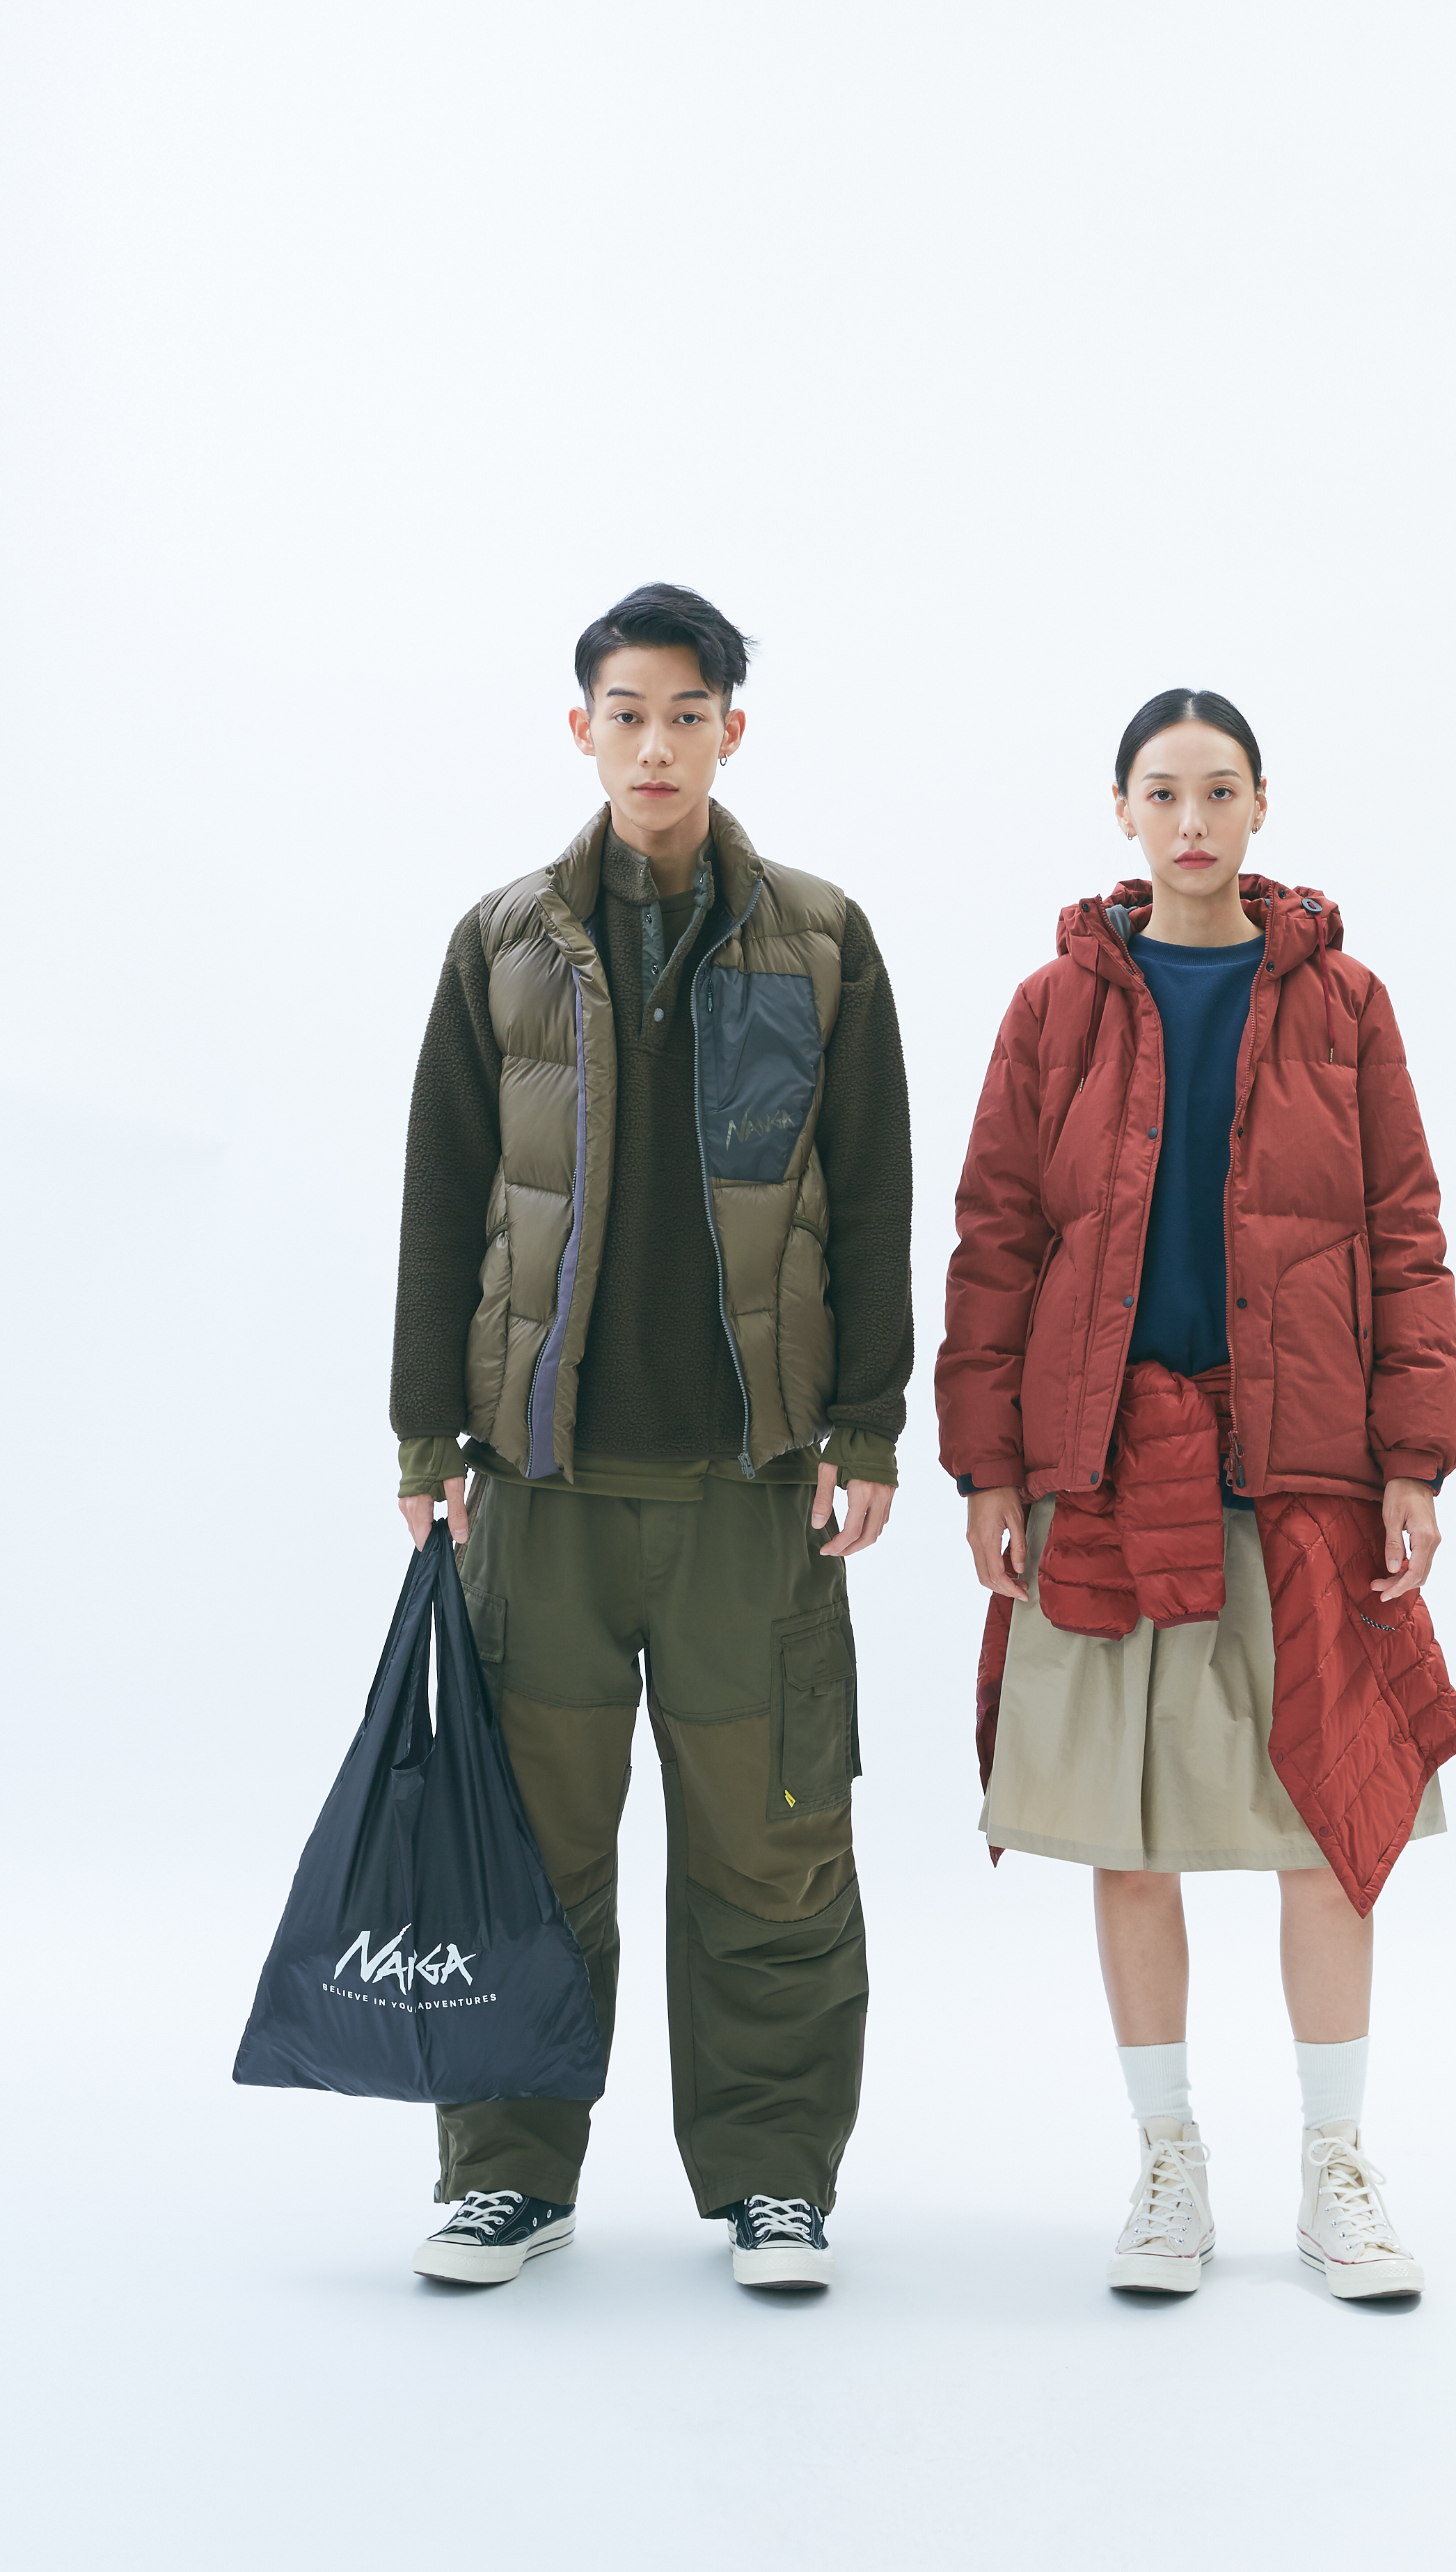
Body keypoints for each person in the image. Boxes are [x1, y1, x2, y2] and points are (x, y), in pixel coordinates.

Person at [391, 583, 912, 2290]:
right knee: (527, 1855)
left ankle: (774, 2180)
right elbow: (443, 1193)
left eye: (687, 713)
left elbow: (873, 1196)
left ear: (729, 731)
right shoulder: (501, 942)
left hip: (748, 1491)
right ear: (583, 729)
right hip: (539, 1491)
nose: (656, 743)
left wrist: (867, 1425)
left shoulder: (817, 939)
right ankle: (506, 2177)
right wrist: (422, 1431)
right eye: (626, 712)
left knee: (771, 1851)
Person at [936, 689, 1456, 2301]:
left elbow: (1403, 1233)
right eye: (1161, 791)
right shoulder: (1051, 1009)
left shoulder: (1344, 1004)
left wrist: (1410, 1456)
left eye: (1217, 790)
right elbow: (993, 1243)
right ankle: (1165, 2161)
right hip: (1102, 1468)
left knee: (1329, 1826)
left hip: (1297, 1467)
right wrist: (987, 1465)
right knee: (1127, 1835)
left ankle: (1334, 2163)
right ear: (1120, 808)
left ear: (1258, 806)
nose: (1189, 819)